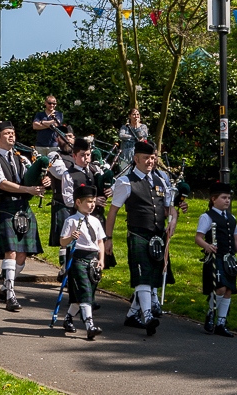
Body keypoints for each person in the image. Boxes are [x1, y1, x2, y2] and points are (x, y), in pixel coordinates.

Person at [105, 141, 185, 336]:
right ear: (136, 159)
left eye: (152, 158)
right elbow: (113, 212)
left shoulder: (161, 181)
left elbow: (168, 208)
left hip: (158, 236)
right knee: (143, 275)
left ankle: (133, 315)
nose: (150, 161)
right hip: (138, 234)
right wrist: (108, 238)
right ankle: (147, 315)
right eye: (146, 158)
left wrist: (173, 218)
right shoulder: (125, 182)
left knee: (152, 276)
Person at [0, 121, 50, 311]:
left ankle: (5, 286)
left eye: (13, 133)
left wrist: (43, 180)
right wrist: (27, 189)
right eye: (7, 133)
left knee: (22, 255)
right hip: (6, 206)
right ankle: (11, 294)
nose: (12, 136)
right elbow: (2, 183)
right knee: (11, 251)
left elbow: (31, 177)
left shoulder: (22, 159)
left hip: (23, 207)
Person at [195, 182, 237, 337]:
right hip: (215, 257)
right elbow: (198, 238)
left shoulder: (232, 218)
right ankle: (211, 312)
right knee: (220, 288)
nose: (227, 200)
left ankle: (221, 322)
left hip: (229, 259)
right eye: (224, 197)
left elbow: (236, 240)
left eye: (229, 198)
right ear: (213, 199)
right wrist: (207, 246)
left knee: (228, 291)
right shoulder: (207, 217)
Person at [60, 185, 105, 340]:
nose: (92, 205)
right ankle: (89, 325)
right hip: (77, 258)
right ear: (78, 202)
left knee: (85, 295)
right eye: (88, 201)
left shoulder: (96, 221)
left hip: (92, 259)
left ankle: (68, 318)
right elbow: (62, 242)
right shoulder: (71, 221)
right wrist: (71, 237)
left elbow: (100, 241)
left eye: (93, 201)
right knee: (84, 291)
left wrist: (101, 259)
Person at [47, 126, 75, 273]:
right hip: (61, 202)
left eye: (70, 136)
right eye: (64, 136)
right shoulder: (54, 155)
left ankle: (70, 269)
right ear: (58, 139)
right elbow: (61, 173)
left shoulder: (79, 156)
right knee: (65, 238)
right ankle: (64, 269)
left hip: (79, 203)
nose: (67, 139)